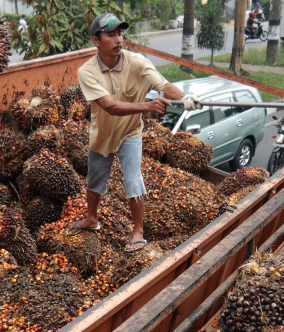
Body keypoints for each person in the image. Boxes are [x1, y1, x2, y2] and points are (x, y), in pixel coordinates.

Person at [70, 13, 199, 254]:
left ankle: (138, 231)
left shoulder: (137, 63)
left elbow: (163, 85)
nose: (119, 39)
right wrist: (147, 107)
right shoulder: (86, 72)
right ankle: (91, 218)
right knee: (94, 180)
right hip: (103, 133)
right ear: (96, 41)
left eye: (120, 34)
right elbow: (110, 106)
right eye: (111, 35)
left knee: (132, 178)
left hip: (130, 132)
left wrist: (185, 98)